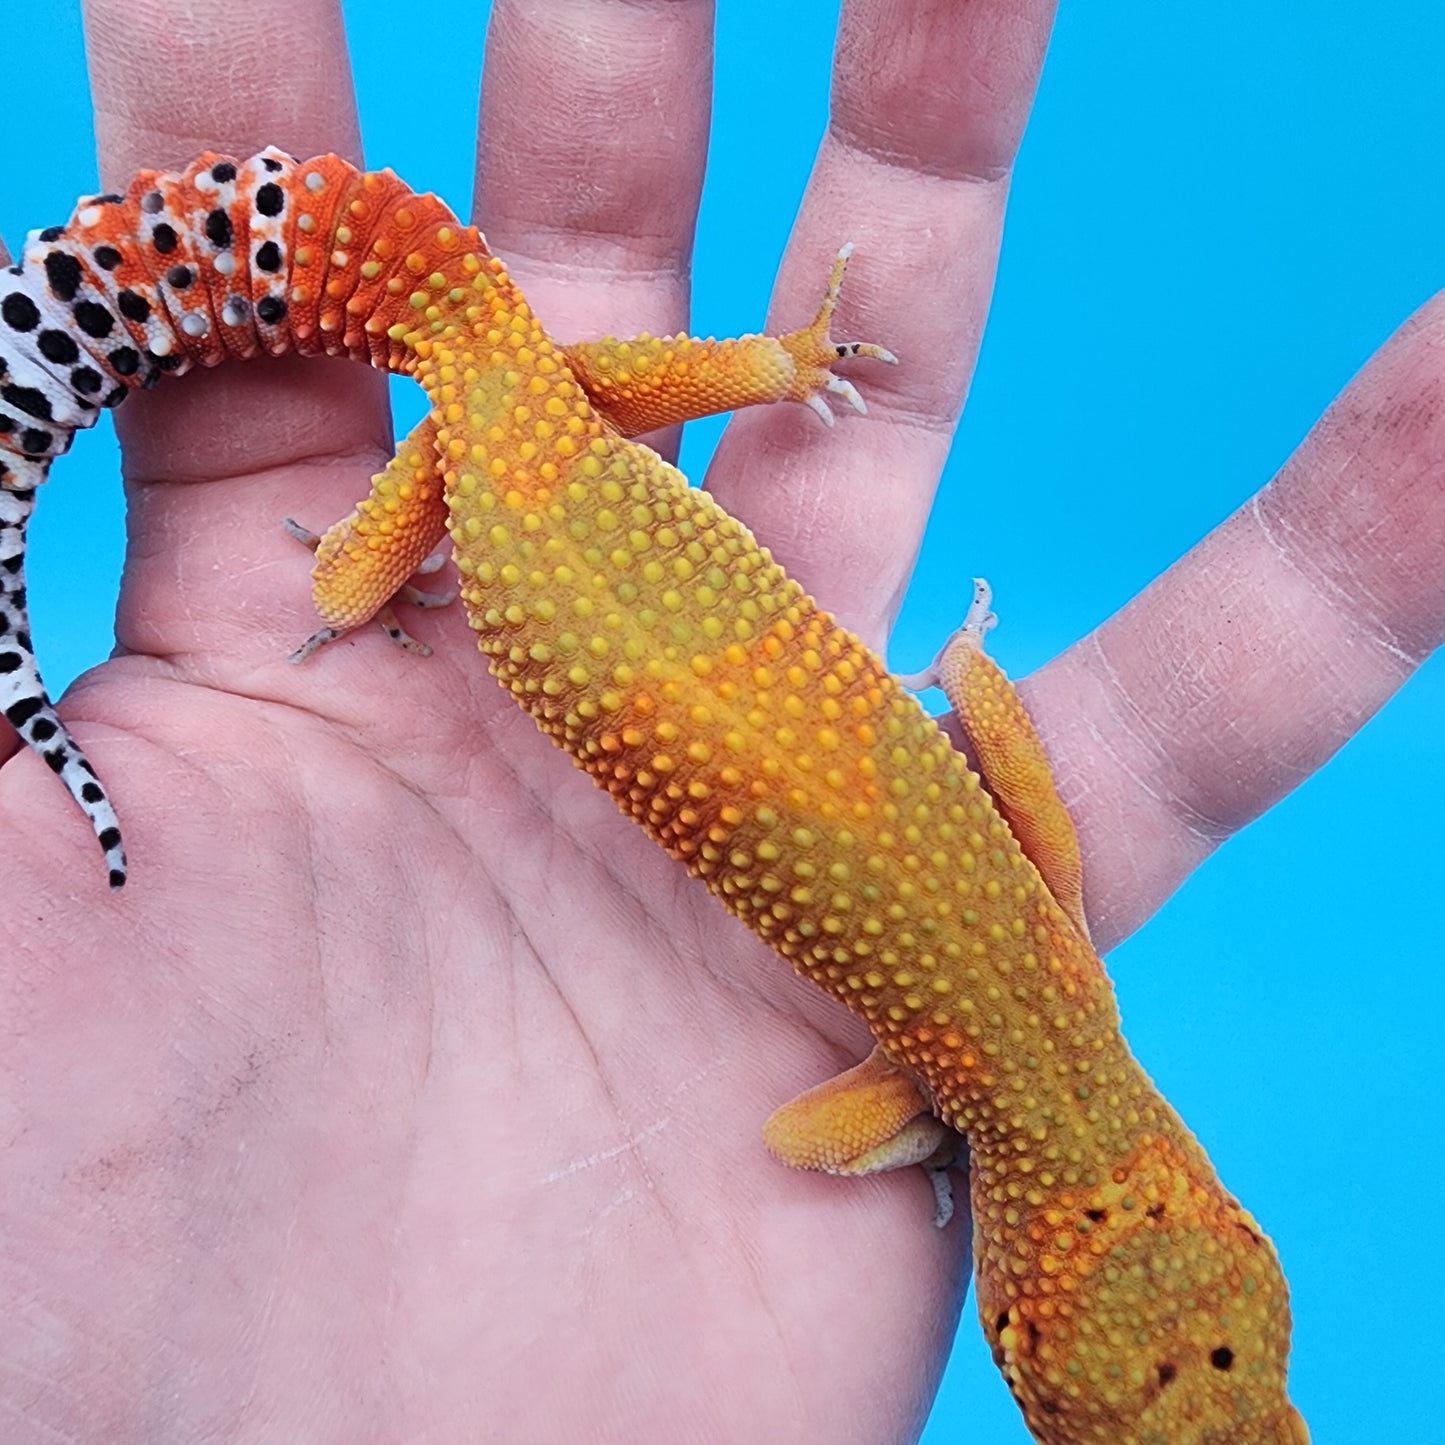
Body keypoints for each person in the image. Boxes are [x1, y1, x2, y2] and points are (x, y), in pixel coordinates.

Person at [2, 1, 1439, 1440]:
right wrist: (928, 1134)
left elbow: (1012, 758)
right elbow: (799, 1133)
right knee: (421, 489)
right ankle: (340, 574)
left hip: (527, 427)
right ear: (1005, 1321)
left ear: (1222, 1212)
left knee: (479, 423)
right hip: (495, 463)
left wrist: (933, 608)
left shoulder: (1059, 954)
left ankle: (338, 548)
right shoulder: (920, 1087)